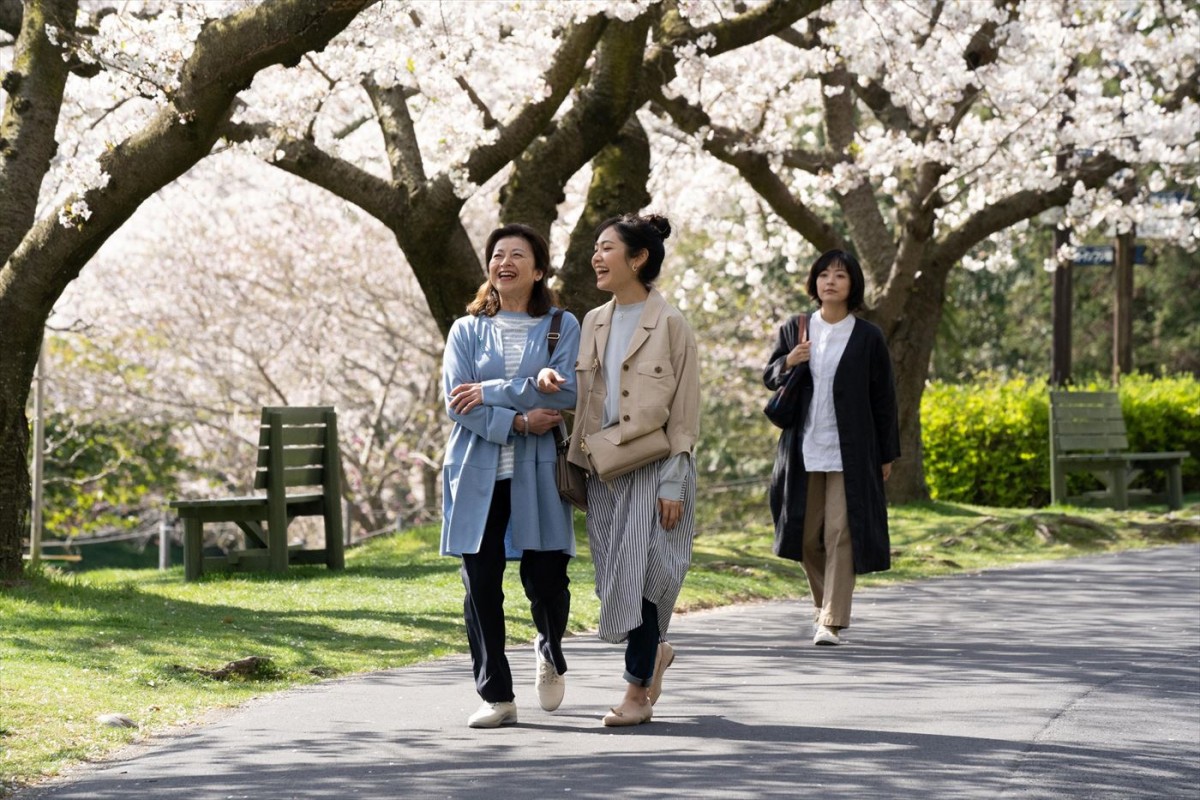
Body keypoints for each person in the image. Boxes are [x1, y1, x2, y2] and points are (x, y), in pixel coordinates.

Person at [440, 223, 580, 728]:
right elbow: (458, 399)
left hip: (539, 471)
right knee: (480, 585)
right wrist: (519, 417)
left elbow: (564, 396)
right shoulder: (466, 329)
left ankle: (550, 647)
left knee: (546, 579)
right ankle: (496, 694)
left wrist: (494, 389)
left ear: (538, 269)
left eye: (517, 254)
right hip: (477, 470)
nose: (505, 262)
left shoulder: (562, 325)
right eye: (497, 254)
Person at [566, 212, 700, 727]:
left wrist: (673, 482)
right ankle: (655, 654)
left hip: (656, 468)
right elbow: (585, 400)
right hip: (605, 470)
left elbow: (684, 411)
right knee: (614, 582)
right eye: (596, 249)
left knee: (646, 579)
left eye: (607, 249)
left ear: (638, 258)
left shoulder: (671, 323)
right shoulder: (592, 321)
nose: (596, 258)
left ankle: (636, 690)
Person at [763, 249, 900, 646]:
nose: (830, 281)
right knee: (806, 536)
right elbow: (770, 377)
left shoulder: (869, 336)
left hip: (852, 451)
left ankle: (832, 620)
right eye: (823, 275)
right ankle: (824, 607)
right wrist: (789, 360)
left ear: (852, 284)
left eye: (839, 275)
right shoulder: (797, 328)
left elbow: (884, 399)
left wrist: (886, 454)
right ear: (814, 283)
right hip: (803, 448)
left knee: (841, 532)